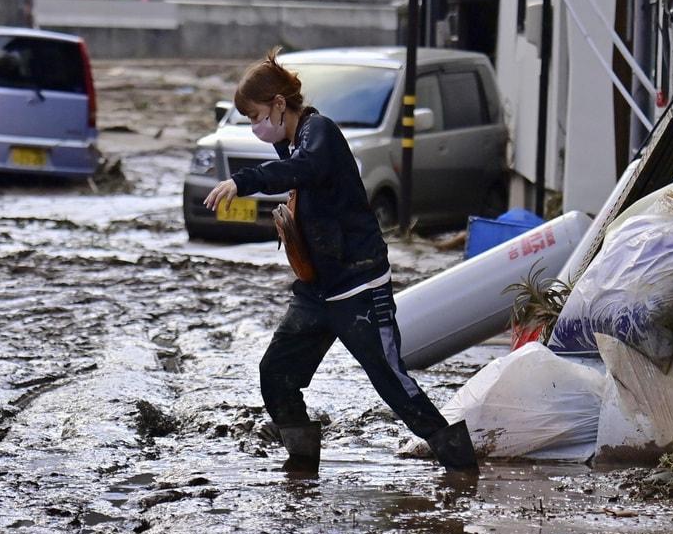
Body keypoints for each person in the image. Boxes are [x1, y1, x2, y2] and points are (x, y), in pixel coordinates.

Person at [204, 48, 477, 475]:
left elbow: (304, 170)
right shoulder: (291, 142)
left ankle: (460, 464)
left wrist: (242, 182)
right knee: (275, 372)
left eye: (257, 116)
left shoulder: (320, 134)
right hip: (317, 292)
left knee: (392, 382)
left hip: (360, 288)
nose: (255, 127)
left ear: (280, 104)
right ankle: (301, 464)